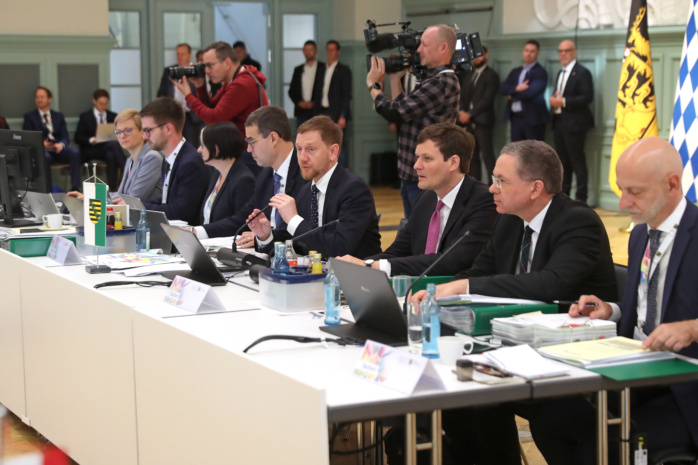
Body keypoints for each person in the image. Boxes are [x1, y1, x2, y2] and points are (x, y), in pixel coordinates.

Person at [411, 139, 617, 465]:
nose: (492, 189)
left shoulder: (577, 221)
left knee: (553, 416)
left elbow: (550, 284)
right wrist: (439, 289)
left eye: (501, 181)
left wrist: (463, 285)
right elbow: (479, 274)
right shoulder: (508, 220)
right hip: (514, 350)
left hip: (568, 361)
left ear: (535, 188)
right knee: (465, 403)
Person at [524, 137, 698, 465]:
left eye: (634, 191)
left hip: (682, 388)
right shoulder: (640, 235)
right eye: (621, 190)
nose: (622, 203)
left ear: (672, 185)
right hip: (631, 373)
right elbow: (648, 310)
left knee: (602, 446)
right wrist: (611, 310)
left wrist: (693, 328)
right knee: (551, 416)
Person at [337, 122, 496, 277]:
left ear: (453, 162)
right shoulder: (426, 199)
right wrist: (360, 266)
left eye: (427, 158)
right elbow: (397, 252)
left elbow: (452, 260)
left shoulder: (483, 201)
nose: (416, 165)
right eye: (418, 157)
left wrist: (373, 266)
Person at [247, 115, 381, 259]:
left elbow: (339, 249)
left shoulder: (354, 190)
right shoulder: (307, 190)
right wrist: (266, 235)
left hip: (354, 278)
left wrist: (293, 219)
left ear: (333, 152)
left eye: (311, 149)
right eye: (299, 149)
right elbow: (293, 239)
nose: (302, 157)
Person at [368, 24, 460, 218]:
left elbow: (396, 112)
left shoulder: (442, 82)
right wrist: (394, 81)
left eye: (424, 45)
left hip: (427, 177)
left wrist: (373, 86)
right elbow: (406, 115)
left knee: (423, 235)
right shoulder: (431, 79)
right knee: (413, 232)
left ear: (443, 48)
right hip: (412, 174)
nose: (418, 50)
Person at [193, 105, 306, 240]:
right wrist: (196, 231)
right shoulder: (265, 176)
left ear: (273, 139)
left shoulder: (305, 173)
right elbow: (244, 218)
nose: (249, 150)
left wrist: (265, 238)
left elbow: (303, 231)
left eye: (252, 142)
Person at [174, 41, 268, 176]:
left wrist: (188, 95)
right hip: (243, 148)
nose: (206, 71)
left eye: (210, 65)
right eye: (205, 66)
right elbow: (211, 107)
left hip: (249, 153)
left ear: (227, 63)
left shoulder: (242, 84)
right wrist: (200, 86)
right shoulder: (234, 79)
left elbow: (214, 119)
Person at [67, 109, 164, 204]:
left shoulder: (152, 158)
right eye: (118, 132)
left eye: (128, 130)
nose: (122, 136)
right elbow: (120, 195)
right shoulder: (130, 159)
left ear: (142, 132)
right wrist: (88, 197)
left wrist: (91, 198)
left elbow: (133, 199)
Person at [139, 97, 209, 226]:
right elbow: (168, 201)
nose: (144, 136)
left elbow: (180, 213)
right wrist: (135, 204)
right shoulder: (171, 158)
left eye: (148, 130)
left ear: (168, 129)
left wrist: (138, 206)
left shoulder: (191, 163)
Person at [549, 40, 594, 204]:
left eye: (566, 50)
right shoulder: (560, 73)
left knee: (577, 161)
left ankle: (581, 197)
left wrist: (564, 102)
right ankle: (564, 196)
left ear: (574, 52)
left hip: (575, 124)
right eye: (560, 51)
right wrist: (555, 101)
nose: (563, 54)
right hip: (559, 122)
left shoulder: (582, 72)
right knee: (562, 162)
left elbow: (587, 97)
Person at [22, 86, 81, 191]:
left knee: (75, 152)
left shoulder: (58, 116)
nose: (39, 99)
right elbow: (27, 138)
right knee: (45, 157)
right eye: (37, 97)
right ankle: (47, 189)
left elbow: (65, 137)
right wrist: (41, 144)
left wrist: (61, 144)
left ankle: (75, 188)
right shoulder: (30, 117)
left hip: (57, 148)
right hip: (42, 150)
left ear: (49, 99)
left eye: (42, 97)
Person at [196, 122, 255, 227]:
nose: (199, 150)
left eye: (203, 145)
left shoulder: (243, 180)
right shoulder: (216, 174)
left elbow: (239, 224)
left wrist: (200, 232)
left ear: (217, 148)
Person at [457, 45, 500, 182]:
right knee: (472, 157)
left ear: (486, 56)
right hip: (467, 123)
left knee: (487, 156)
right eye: (474, 55)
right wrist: (462, 112)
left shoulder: (492, 75)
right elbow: (462, 96)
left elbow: (487, 100)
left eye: (480, 55)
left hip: (483, 121)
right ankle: (476, 188)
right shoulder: (468, 75)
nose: (477, 58)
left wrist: (470, 114)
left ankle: (494, 188)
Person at [74, 89, 125, 190]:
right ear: (94, 101)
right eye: (101, 103)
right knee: (113, 145)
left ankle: (112, 188)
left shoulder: (113, 116)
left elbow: (119, 133)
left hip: (108, 148)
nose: (103, 106)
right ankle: (126, 167)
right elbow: (78, 137)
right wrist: (91, 140)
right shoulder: (85, 116)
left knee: (111, 153)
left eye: (105, 104)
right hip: (92, 150)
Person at [499, 40, 549, 142]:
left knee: (534, 152)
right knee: (517, 152)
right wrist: (516, 88)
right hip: (515, 118)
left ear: (537, 54)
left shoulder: (540, 72)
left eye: (532, 51)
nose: (528, 54)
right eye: (526, 50)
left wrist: (512, 95)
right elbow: (502, 88)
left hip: (533, 120)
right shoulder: (516, 71)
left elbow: (530, 93)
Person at [156, 43, 203, 146]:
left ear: (189, 55)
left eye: (183, 54)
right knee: (173, 145)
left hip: (190, 115)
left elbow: (201, 94)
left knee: (191, 146)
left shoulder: (196, 71)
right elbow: (161, 93)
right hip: (173, 115)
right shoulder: (169, 71)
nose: (180, 57)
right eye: (178, 54)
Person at [317, 40, 352, 167]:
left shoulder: (343, 70)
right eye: (328, 50)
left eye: (332, 50)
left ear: (338, 52)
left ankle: (342, 176)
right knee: (323, 144)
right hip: (323, 111)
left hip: (337, 113)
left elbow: (347, 94)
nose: (330, 52)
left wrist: (343, 115)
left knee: (339, 145)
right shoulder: (322, 69)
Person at [288, 40, 326, 126]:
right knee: (302, 136)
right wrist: (299, 102)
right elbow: (292, 90)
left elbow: (326, 89)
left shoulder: (323, 68)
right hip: (301, 111)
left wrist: (315, 102)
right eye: (305, 50)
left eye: (310, 50)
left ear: (316, 51)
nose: (308, 52)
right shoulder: (298, 69)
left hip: (318, 110)